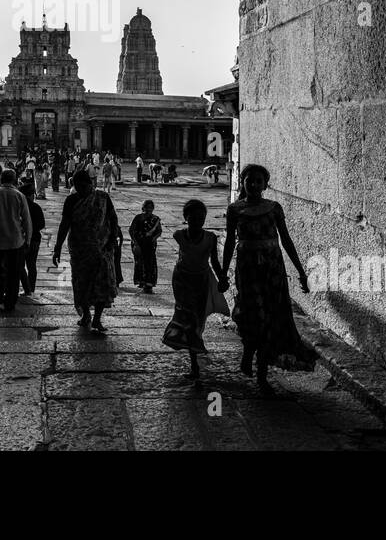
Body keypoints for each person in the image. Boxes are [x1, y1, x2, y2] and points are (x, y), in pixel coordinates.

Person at [223, 163, 317, 394]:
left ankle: (262, 374)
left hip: (272, 271)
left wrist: (301, 272)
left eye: (258, 181)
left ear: (266, 184)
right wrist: (223, 274)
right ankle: (248, 351)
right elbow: (228, 243)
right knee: (251, 315)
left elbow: (286, 241)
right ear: (243, 182)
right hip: (247, 271)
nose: (254, 184)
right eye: (249, 180)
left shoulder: (274, 208)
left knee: (271, 320)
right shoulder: (235, 210)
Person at [161, 199, 229, 378]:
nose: (198, 221)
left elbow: (214, 261)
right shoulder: (179, 235)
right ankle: (194, 362)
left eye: (201, 218)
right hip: (182, 282)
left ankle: (193, 353)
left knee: (196, 321)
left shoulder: (210, 238)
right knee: (188, 319)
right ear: (186, 218)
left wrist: (222, 277)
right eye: (194, 218)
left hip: (201, 282)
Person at [51, 169, 120, 332]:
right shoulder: (71, 200)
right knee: (81, 283)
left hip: (102, 248)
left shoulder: (102, 198)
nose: (82, 190)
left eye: (84, 186)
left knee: (103, 283)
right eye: (78, 186)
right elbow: (64, 224)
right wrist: (57, 247)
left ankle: (97, 318)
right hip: (80, 250)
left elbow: (113, 218)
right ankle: (86, 315)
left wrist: (112, 240)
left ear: (90, 184)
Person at [0, 169, 33, 312]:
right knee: (14, 273)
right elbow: (27, 221)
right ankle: (10, 302)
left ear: (1, 179)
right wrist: (27, 239)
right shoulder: (19, 195)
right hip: (16, 241)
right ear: (14, 180)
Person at [19, 181, 47, 295]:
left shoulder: (20, 207)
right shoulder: (36, 207)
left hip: (21, 239)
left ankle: (26, 288)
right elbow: (42, 224)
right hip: (35, 239)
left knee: (20, 264)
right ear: (30, 195)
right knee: (31, 264)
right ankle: (30, 288)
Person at [129, 199, 163, 292]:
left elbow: (159, 231)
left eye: (150, 208)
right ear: (142, 208)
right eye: (146, 208)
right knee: (139, 263)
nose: (148, 210)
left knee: (150, 263)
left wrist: (154, 238)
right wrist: (135, 243)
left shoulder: (155, 219)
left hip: (150, 245)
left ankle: (149, 284)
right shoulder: (138, 218)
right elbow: (131, 230)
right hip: (139, 244)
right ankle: (141, 282)